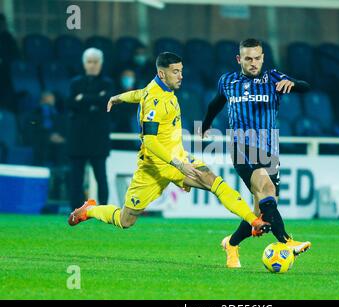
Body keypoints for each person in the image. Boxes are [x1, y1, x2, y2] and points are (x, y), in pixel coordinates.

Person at [68, 52, 269, 236]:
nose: (180, 76)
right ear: (162, 74)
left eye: (180, 71)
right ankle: (90, 210)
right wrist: (178, 164)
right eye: (175, 72)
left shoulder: (155, 87)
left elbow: (140, 93)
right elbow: (150, 140)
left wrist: (118, 97)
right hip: (154, 168)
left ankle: (254, 221)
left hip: (178, 158)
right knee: (125, 220)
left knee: (213, 181)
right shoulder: (156, 100)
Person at [201, 38, 312, 268]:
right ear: (239, 59)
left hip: (269, 149)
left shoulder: (273, 78)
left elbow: (306, 86)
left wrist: (293, 84)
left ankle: (231, 244)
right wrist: (205, 125)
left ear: (263, 58)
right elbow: (215, 104)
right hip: (241, 146)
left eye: (257, 58)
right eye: (248, 58)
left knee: (262, 214)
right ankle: (287, 241)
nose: (253, 63)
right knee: (267, 189)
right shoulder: (228, 81)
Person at [67, 48, 114, 210]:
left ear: (101, 64)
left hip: (98, 138)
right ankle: (75, 209)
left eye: (95, 62)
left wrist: (83, 98)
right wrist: (96, 98)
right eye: (89, 62)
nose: (92, 65)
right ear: (84, 64)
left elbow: (106, 103)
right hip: (78, 138)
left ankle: (105, 210)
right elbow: (71, 104)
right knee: (76, 178)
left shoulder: (108, 83)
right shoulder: (75, 83)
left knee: (101, 176)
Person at [28, 91, 67, 166]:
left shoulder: (59, 116)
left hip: (58, 142)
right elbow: (31, 128)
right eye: (46, 101)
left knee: (63, 147)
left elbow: (64, 128)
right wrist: (48, 137)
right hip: (41, 141)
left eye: (51, 101)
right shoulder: (33, 115)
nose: (48, 104)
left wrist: (62, 138)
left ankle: (61, 172)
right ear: (41, 101)